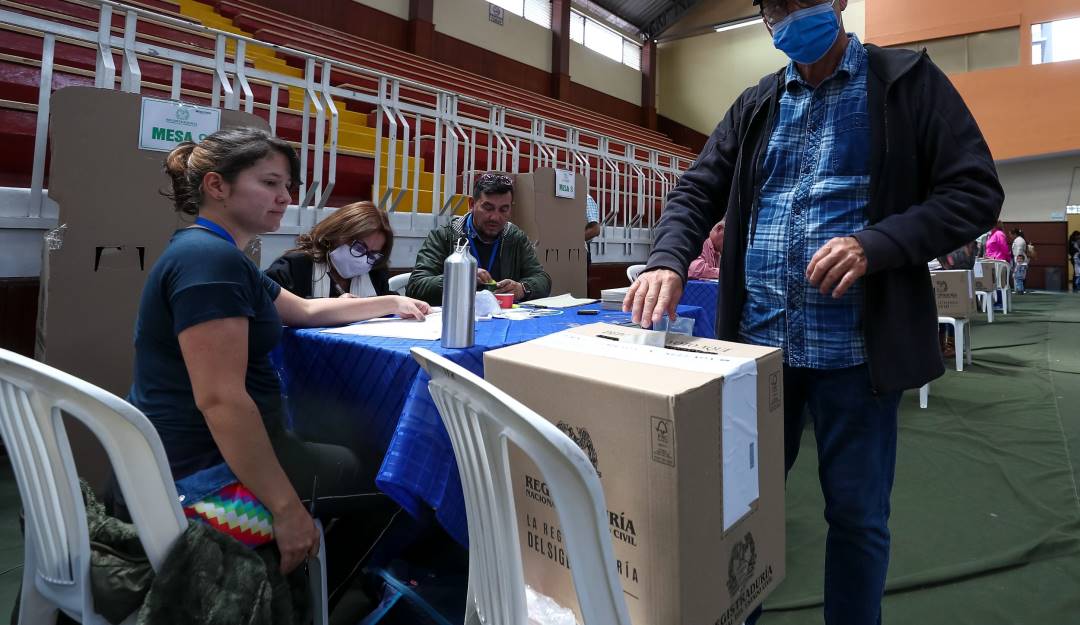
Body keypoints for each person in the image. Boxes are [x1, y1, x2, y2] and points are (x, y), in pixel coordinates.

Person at [623, 2, 1003, 623]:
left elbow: (975, 192)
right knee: (739, 512)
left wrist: (875, 244)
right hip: (759, 354)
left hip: (857, 354)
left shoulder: (906, 82)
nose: (791, 13)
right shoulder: (757, 104)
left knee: (856, 517)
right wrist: (668, 257)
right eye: (776, 6)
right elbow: (698, 187)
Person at [130, 128, 430, 584]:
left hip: (196, 453)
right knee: (402, 483)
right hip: (206, 473)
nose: (284, 197)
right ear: (216, 186)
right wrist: (286, 508)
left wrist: (389, 302)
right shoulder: (212, 264)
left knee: (364, 459)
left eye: (286, 186)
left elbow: (305, 310)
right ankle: (315, 598)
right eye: (269, 183)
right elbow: (222, 401)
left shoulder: (214, 254)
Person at [406, 172, 552, 305]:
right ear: (471, 204)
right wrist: (460, 278)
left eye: (503, 209)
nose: (495, 217)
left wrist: (522, 289)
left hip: (503, 321)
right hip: (456, 320)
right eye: (488, 207)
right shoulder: (444, 236)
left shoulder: (515, 237)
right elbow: (415, 287)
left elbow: (542, 279)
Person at [265, 200, 394, 298]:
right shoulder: (294, 268)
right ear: (337, 234)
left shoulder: (375, 273)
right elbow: (273, 310)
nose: (364, 260)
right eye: (359, 248)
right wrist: (334, 308)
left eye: (372, 255)